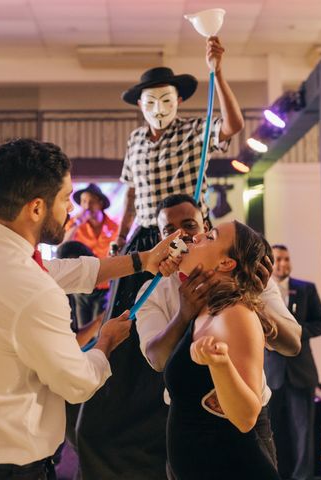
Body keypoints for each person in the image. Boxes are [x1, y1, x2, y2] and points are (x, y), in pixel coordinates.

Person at [0, 138, 180, 480]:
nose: (71, 209)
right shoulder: (33, 293)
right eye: (65, 198)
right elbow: (78, 383)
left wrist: (141, 261)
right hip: (3, 471)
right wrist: (105, 342)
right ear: (36, 208)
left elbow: (59, 271)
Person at [76, 36, 244, 480]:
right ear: (141, 106)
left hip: (188, 237)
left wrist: (217, 72)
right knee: (130, 323)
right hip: (142, 241)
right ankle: (117, 415)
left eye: (167, 99)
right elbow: (130, 193)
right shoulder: (134, 141)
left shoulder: (192, 131)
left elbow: (232, 126)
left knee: (192, 312)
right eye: (151, 101)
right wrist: (119, 237)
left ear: (178, 101)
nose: (159, 107)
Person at [135, 194, 302, 472]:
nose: (182, 237)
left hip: (230, 445)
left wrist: (251, 294)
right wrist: (184, 313)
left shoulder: (239, 307)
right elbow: (156, 358)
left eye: (191, 227)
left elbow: (292, 344)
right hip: (188, 435)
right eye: (168, 230)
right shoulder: (156, 293)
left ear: (203, 225)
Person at [164, 220, 280, 479]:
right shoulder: (205, 309)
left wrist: (221, 364)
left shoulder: (236, 314)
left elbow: (246, 416)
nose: (196, 238)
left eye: (210, 236)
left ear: (226, 263)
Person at [265, 244, 321, 480]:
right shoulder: (259, 290)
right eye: (278, 259)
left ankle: (302, 477)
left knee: (303, 431)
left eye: (286, 259)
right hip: (270, 373)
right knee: (273, 431)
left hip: (300, 372)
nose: (283, 263)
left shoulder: (305, 289)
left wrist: (294, 332)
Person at [63, 183, 118, 327]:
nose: (87, 206)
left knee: (100, 329)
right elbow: (63, 246)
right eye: (83, 201)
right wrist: (78, 223)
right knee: (83, 328)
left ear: (100, 203)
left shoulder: (114, 227)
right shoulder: (75, 224)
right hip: (81, 284)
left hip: (105, 285)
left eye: (91, 201)